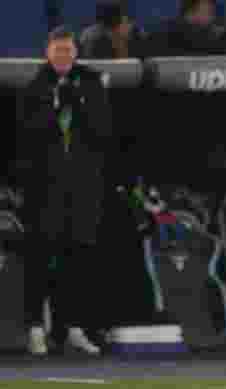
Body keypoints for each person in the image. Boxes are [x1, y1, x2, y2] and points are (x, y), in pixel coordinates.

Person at [16, 27, 113, 355]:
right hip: (45, 191)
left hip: (82, 190)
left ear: (76, 52)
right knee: (41, 260)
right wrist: (55, 108)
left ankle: (72, 327)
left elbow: (104, 132)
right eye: (58, 50)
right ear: (47, 52)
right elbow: (25, 138)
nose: (64, 56)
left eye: (69, 50)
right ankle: (34, 327)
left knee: (79, 261)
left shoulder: (90, 83)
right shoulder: (34, 87)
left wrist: (80, 106)